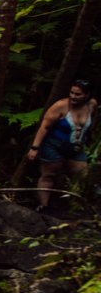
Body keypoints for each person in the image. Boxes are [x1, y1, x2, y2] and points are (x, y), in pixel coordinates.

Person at [27, 79, 97, 212]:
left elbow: (91, 122)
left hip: (76, 147)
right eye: (72, 93)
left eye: (78, 94)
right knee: (48, 175)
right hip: (54, 146)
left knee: (82, 176)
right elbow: (44, 127)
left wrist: (88, 138)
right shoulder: (60, 106)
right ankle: (44, 206)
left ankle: (79, 207)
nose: (73, 96)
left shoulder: (92, 105)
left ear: (87, 95)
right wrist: (34, 148)